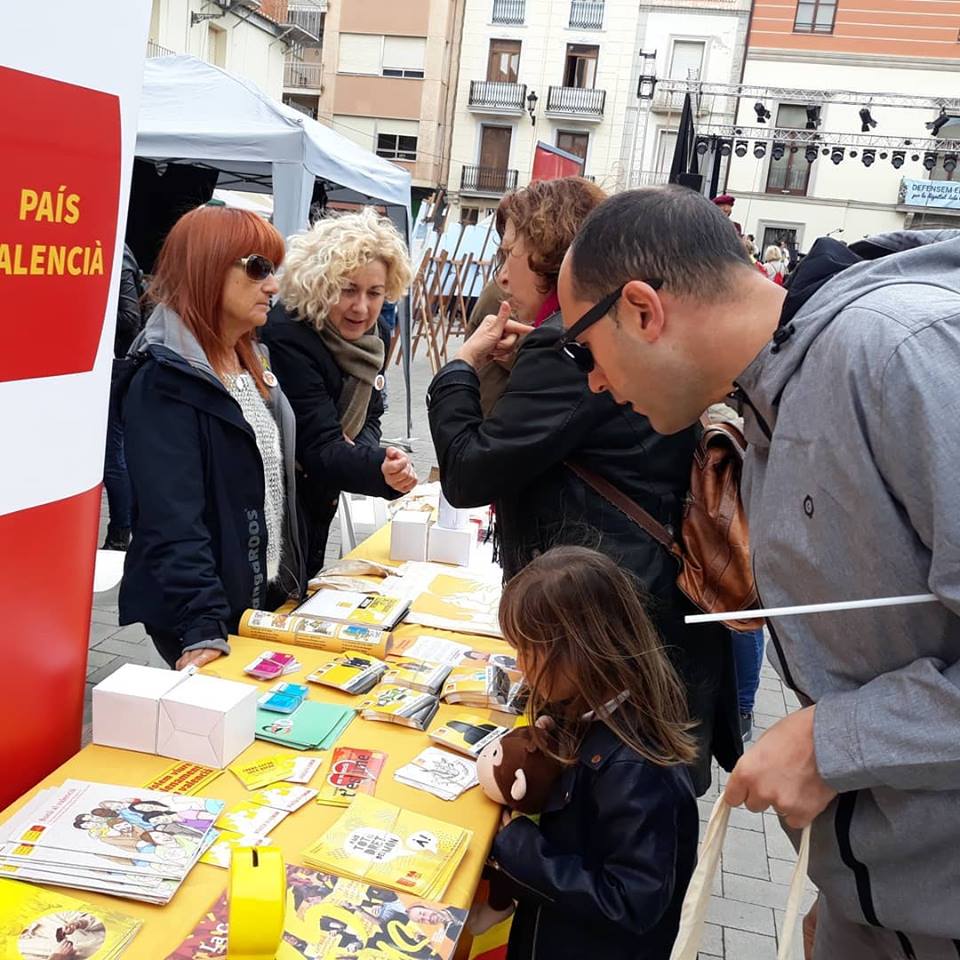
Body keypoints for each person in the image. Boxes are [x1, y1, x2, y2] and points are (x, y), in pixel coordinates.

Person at [557, 186, 960, 958]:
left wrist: (836, 741)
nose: (594, 382)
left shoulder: (899, 352)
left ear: (641, 309)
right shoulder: (774, 396)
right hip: (887, 903)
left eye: (583, 348)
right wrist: (849, 897)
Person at [428, 177, 741, 794]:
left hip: (605, 621)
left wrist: (459, 368)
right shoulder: (575, 344)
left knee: (610, 795)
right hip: (639, 600)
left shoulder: (563, 349)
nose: (501, 271)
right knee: (638, 786)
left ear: (549, 255)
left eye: (510, 252)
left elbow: (467, 473)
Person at [119, 206, 305, 670]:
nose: (273, 285)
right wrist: (202, 621)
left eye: (274, 270)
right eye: (258, 268)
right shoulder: (163, 379)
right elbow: (170, 516)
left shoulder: (250, 358)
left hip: (258, 595)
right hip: (207, 610)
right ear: (207, 267)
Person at [488, 546, 698, 960]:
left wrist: (521, 849)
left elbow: (631, 902)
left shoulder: (636, 769)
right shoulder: (589, 710)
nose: (520, 664)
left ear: (578, 652)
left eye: (528, 650)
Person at [261, 209, 417, 575]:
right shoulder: (289, 334)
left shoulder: (373, 336)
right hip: (279, 506)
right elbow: (317, 447)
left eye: (374, 293)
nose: (361, 307)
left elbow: (372, 413)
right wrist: (380, 467)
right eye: (348, 290)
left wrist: (362, 451)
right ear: (320, 284)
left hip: (321, 496)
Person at [101, 243, 144, 550]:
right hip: (112, 364)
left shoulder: (119, 253)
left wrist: (89, 314)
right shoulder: (118, 252)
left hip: (116, 365)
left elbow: (130, 317)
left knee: (112, 454)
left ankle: (120, 533)